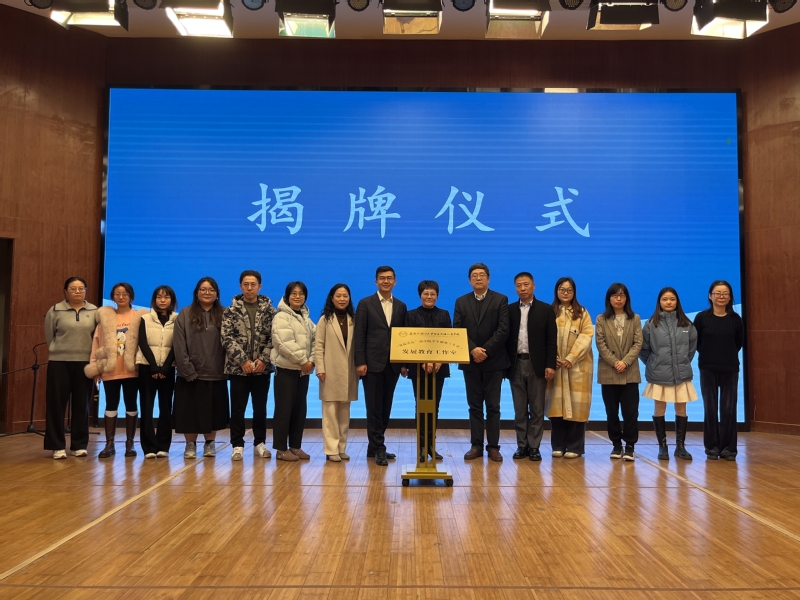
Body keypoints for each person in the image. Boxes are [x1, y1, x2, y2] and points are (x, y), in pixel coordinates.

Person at [453, 263, 509, 462]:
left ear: (488, 278)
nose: (478, 278)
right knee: (474, 406)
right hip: (471, 362)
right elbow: (457, 329)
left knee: (493, 406)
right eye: (474, 275)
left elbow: (503, 329)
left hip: (494, 361)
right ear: (469, 280)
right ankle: (476, 446)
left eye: (482, 275)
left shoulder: (501, 299)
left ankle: (493, 447)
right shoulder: (461, 301)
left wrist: (485, 351)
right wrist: (472, 350)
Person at [354, 266, 408, 466]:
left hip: (393, 365)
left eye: (389, 278)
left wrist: (404, 363)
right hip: (371, 365)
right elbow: (359, 334)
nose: (386, 281)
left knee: (385, 408)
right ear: (376, 281)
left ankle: (374, 446)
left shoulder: (401, 306)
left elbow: (403, 337)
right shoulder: (365, 303)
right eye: (382, 278)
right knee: (374, 408)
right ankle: (379, 448)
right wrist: (360, 361)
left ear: (395, 281)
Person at [222, 270, 277, 462]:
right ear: (240, 286)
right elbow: (226, 338)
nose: (249, 288)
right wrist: (243, 360)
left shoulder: (271, 312)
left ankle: (259, 443)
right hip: (239, 369)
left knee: (260, 408)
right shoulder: (230, 311)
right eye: (246, 284)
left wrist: (263, 359)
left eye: (253, 284)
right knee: (237, 409)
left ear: (260, 287)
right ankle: (237, 445)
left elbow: (275, 337)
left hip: (262, 369)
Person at [85, 282, 145, 459]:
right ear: (112, 297)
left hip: (132, 369)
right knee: (111, 404)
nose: (121, 297)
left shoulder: (139, 317)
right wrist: (95, 367)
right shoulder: (106, 318)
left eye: (125, 294)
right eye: (117, 294)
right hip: (110, 369)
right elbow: (96, 343)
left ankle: (130, 443)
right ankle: (109, 444)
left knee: (131, 404)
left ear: (131, 296)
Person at [173, 277, 229, 459]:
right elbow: (179, 345)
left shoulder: (225, 314)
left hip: (216, 373)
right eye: (203, 289)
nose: (207, 292)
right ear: (196, 293)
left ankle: (210, 443)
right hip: (190, 375)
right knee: (189, 414)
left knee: (212, 413)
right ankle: (190, 444)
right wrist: (187, 370)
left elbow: (231, 343)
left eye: (211, 290)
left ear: (217, 294)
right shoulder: (185, 314)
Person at [640, 286, 698, 461]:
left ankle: (680, 447)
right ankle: (662, 447)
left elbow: (691, 350)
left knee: (681, 409)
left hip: (681, 373)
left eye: (672, 299)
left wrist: (681, 363)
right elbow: (644, 350)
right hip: (659, 374)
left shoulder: (687, 324)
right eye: (665, 299)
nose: (668, 302)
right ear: (659, 302)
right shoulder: (651, 324)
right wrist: (655, 363)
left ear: (677, 302)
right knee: (660, 408)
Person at [44, 277, 98, 459]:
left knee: (82, 405)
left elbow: (97, 338)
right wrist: (58, 351)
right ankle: (57, 446)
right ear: (65, 291)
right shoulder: (55, 310)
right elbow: (50, 336)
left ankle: (79, 445)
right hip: (59, 362)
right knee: (56, 405)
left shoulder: (94, 311)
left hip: (85, 363)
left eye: (81, 288)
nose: (77, 292)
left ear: (86, 291)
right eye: (73, 288)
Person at [505, 272, 556, 463]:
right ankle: (521, 445)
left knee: (536, 409)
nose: (522, 288)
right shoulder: (509, 310)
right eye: (519, 285)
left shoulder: (545, 309)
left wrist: (550, 365)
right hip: (516, 364)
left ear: (534, 286)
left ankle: (534, 447)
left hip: (538, 366)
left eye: (526, 284)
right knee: (519, 409)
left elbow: (551, 340)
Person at [694, 280, 744, 461]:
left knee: (729, 409)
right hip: (707, 368)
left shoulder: (736, 319)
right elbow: (697, 342)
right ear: (710, 296)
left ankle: (729, 449)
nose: (721, 296)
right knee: (710, 409)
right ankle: (712, 448)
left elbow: (738, 343)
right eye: (717, 293)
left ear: (730, 297)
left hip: (730, 369)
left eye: (725, 293)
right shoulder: (701, 318)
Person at [546, 277, 594, 459]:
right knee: (556, 408)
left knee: (577, 409)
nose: (565, 293)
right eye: (562, 289)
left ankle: (575, 447)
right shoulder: (550, 311)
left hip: (577, 368)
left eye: (569, 290)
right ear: (556, 291)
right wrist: (552, 359)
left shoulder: (582, 313)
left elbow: (586, 336)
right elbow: (544, 336)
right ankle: (558, 445)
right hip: (556, 367)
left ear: (574, 292)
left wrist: (571, 357)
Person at [405, 280, 452, 461]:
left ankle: (432, 446)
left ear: (437, 296)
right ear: (420, 296)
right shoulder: (411, 315)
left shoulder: (444, 314)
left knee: (434, 407)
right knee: (421, 406)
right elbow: (408, 342)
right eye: (426, 293)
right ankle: (422, 447)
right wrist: (422, 361)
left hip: (439, 368)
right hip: (418, 368)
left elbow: (449, 340)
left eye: (433, 294)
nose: (429, 297)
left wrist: (439, 360)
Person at [595, 283, 642, 461]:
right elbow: (601, 344)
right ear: (609, 299)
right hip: (609, 372)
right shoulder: (601, 319)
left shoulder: (635, 318)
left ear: (626, 298)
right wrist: (615, 363)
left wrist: (625, 362)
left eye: (622, 295)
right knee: (612, 412)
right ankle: (616, 445)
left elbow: (638, 343)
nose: (618, 299)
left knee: (631, 413)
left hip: (630, 373)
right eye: (615, 295)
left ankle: (630, 446)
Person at [271, 281, 316, 462]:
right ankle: (281, 449)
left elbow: (316, 340)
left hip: (303, 372)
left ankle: (295, 447)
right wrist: (303, 360)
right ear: (287, 296)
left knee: (299, 410)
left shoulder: (306, 318)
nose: (298, 296)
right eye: (294, 293)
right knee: (283, 411)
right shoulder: (281, 317)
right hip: (286, 371)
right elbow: (283, 343)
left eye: (301, 293)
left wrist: (311, 360)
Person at [314, 283, 358, 462]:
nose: (342, 299)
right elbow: (318, 346)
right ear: (332, 298)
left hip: (349, 372)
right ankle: (331, 450)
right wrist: (320, 368)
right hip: (329, 371)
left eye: (345, 296)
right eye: (338, 296)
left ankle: (341, 448)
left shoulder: (353, 319)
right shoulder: (325, 320)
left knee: (344, 413)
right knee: (330, 413)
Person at [136, 286, 178, 459]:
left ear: (172, 300)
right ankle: (148, 447)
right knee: (146, 407)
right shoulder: (144, 318)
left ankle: (163, 446)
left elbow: (177, 344)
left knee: (166, 408)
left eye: (166, 297)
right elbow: (142, 342)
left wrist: (166, 366)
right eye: (159, 297)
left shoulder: (177, 319)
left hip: (169, 368)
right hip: (147, 367)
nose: (162, 300)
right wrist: (153, 366)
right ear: (154, 299)